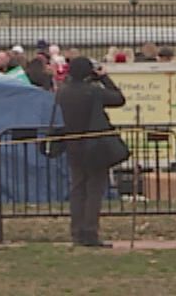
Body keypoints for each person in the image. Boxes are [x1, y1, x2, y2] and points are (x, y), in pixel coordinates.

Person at [57, 56, 127, 248]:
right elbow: (119, 99)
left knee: (78, 188)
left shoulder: (63, 93)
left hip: (73, 145)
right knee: (95, 189)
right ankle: (90, 232)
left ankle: (77, 231)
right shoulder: (94, 92)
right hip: (95, 146)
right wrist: (104, 78)